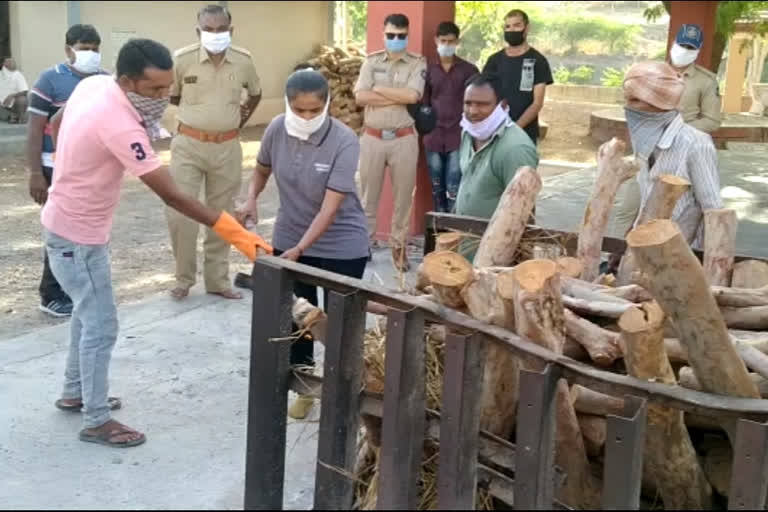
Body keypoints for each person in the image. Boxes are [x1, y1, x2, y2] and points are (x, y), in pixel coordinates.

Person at [44, 38, 270, 448]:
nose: (164, 98)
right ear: (127, 82)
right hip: (78, 236)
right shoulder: (119, 123)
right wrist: (240, 236)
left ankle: (76, 391)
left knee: (86, 311)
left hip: (68, 226)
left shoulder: (94, 86)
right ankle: (96, 419)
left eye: (168, 88)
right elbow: (174, 196)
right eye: (153, 90)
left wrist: (70, 169)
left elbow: (57, 123)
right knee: (101, 324)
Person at [236, 67, 369, 420]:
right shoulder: (276, 129)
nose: (307, 117)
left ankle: (345, 388)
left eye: (315, 110)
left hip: (342, 244)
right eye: (299, 110)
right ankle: (304, 384)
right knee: (298, 317)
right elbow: (262, 169)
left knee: (340, 321)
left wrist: (301, 248)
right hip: (290, 235)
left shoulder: (344, 140)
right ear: (287, 104)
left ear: (327, 106)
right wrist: (251, 199)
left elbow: (331, 205)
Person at [166, 4, 262, 301]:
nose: (215, 34)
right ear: (199, 31)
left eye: (221, 30)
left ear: (230, 31)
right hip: (188, 146)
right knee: (180, 213)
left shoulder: (244, 61)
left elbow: (255, 94)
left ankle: (217, 280)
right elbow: (173, 96)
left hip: (227, 148)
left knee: (222, 216)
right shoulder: (182, 60)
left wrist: (236, 123)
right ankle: (183, 278)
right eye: (209, 29)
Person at [26, 24, 105, 318]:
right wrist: (35, 172)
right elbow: (34, 130)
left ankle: (77, 288)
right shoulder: (50, 80)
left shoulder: (104, 80)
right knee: (60, 231)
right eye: (85, 48)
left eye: (95, 48)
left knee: (85, 231)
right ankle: (50, 294)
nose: (91, 54)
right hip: (54, 167)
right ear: (68, 49)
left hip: (90, 169)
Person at [610, 62, 722, 265]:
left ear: (658, 103)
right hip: (642, 252)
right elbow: (645, 201)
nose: (628, 108)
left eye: (635, 100)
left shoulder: (696, 143)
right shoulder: (645, 142)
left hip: (681, 257)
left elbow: (713, 211)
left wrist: (708, 266)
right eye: (627, 100)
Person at [354, 13, 426, 272]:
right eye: (391, 35)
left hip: (404, 139)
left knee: (403, 199)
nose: (396, 40)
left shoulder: (417, 62)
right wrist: (397, 97)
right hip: (372, 138)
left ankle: (398, 249)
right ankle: (362, 247)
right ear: (383, 35)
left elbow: (413, 95)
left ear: (407, 35)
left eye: (401, 36)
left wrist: (380, 90)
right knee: (367, 198)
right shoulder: (371, 61)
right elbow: (361, 96)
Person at [454, 74, 539, 260]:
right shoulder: (468, 133)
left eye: (483, 104)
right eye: (467, 103)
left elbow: (524, 211)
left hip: (496, 258)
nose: (473, 111)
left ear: (502, 105)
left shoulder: (515, 148)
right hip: (467, 249)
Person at [422, 21, 479, 213]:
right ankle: (439, 234)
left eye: (451, 41)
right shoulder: (427, 69)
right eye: (443, 40)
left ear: (458, 42)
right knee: (437, 189)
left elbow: (475, 105)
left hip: (459, 136)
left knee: (455, 188)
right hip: (433, 137)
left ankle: (453, 232)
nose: (446, 45)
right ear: (436, 40)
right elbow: (423, 104)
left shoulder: (469, 70)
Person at [482, 9, 553, 145]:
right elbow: (484, 95)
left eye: (516, 25)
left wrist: (514, 129)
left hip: (524, 135)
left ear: (527, 28)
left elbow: (537, 103)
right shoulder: (494, 60)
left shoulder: (538, 61)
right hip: (494, 133)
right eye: (507, 27)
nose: (511, 30)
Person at [669, 23, 722, 134]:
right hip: (652, 137)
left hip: (686, 139)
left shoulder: (707, 81)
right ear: (674, 43)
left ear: (697, 51)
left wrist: (679, 130)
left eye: (691, 48)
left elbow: (712, 120)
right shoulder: (655, 72)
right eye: (682, 45)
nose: (685, 50)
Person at [0, 57, 28, 123]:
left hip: (13, 104)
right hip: (2, 104)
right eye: (10, 61)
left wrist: (11, 96)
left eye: (13, 61)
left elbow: (25, 91)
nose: (13, 63)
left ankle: (15, 116)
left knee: (22, 99)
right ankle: (12, 117)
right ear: (3, 64)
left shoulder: (18, 75)